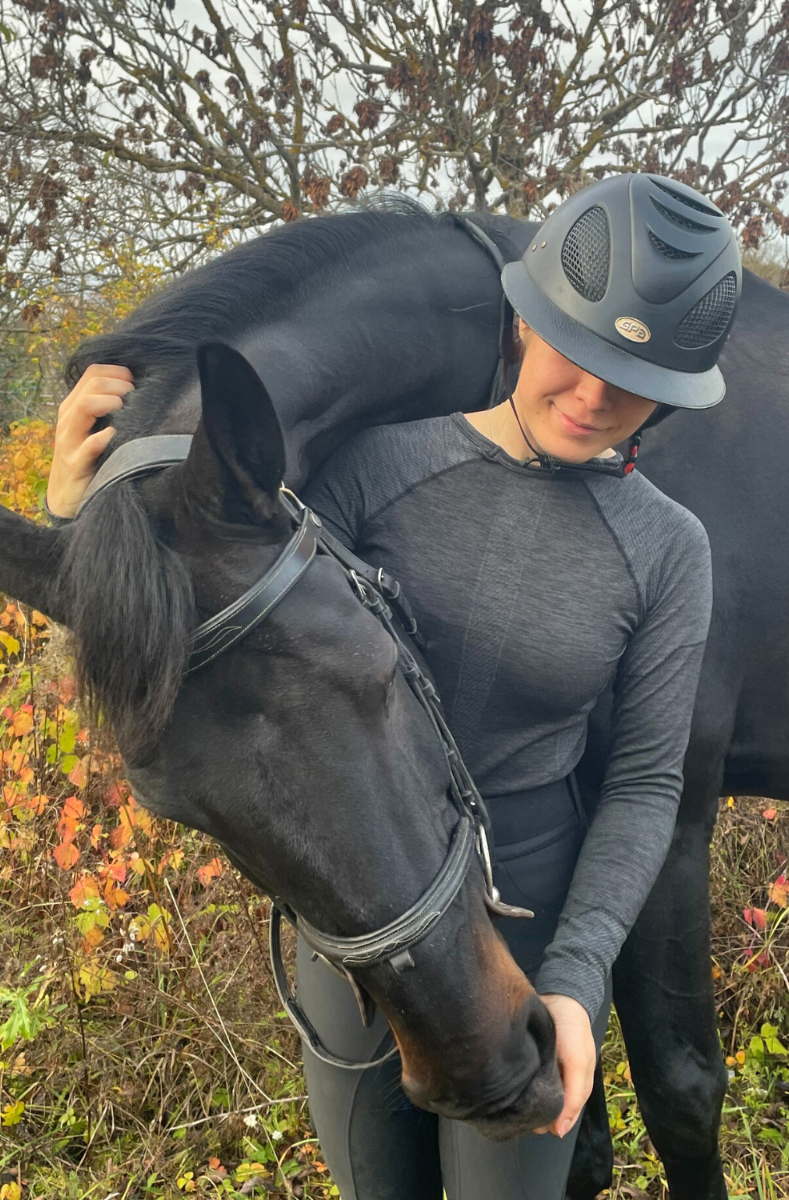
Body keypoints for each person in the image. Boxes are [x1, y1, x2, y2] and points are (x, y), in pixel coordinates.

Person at [45, 173, 741, 1200]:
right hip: (358, 916)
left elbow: (643, 785)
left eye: (633, 379)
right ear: (518, 322)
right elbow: (196, 614)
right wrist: (80, 512)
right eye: (577, 351)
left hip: (529, 919)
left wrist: (579, 974)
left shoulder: (666, 550)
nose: (593, 396)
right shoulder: (371, 467)